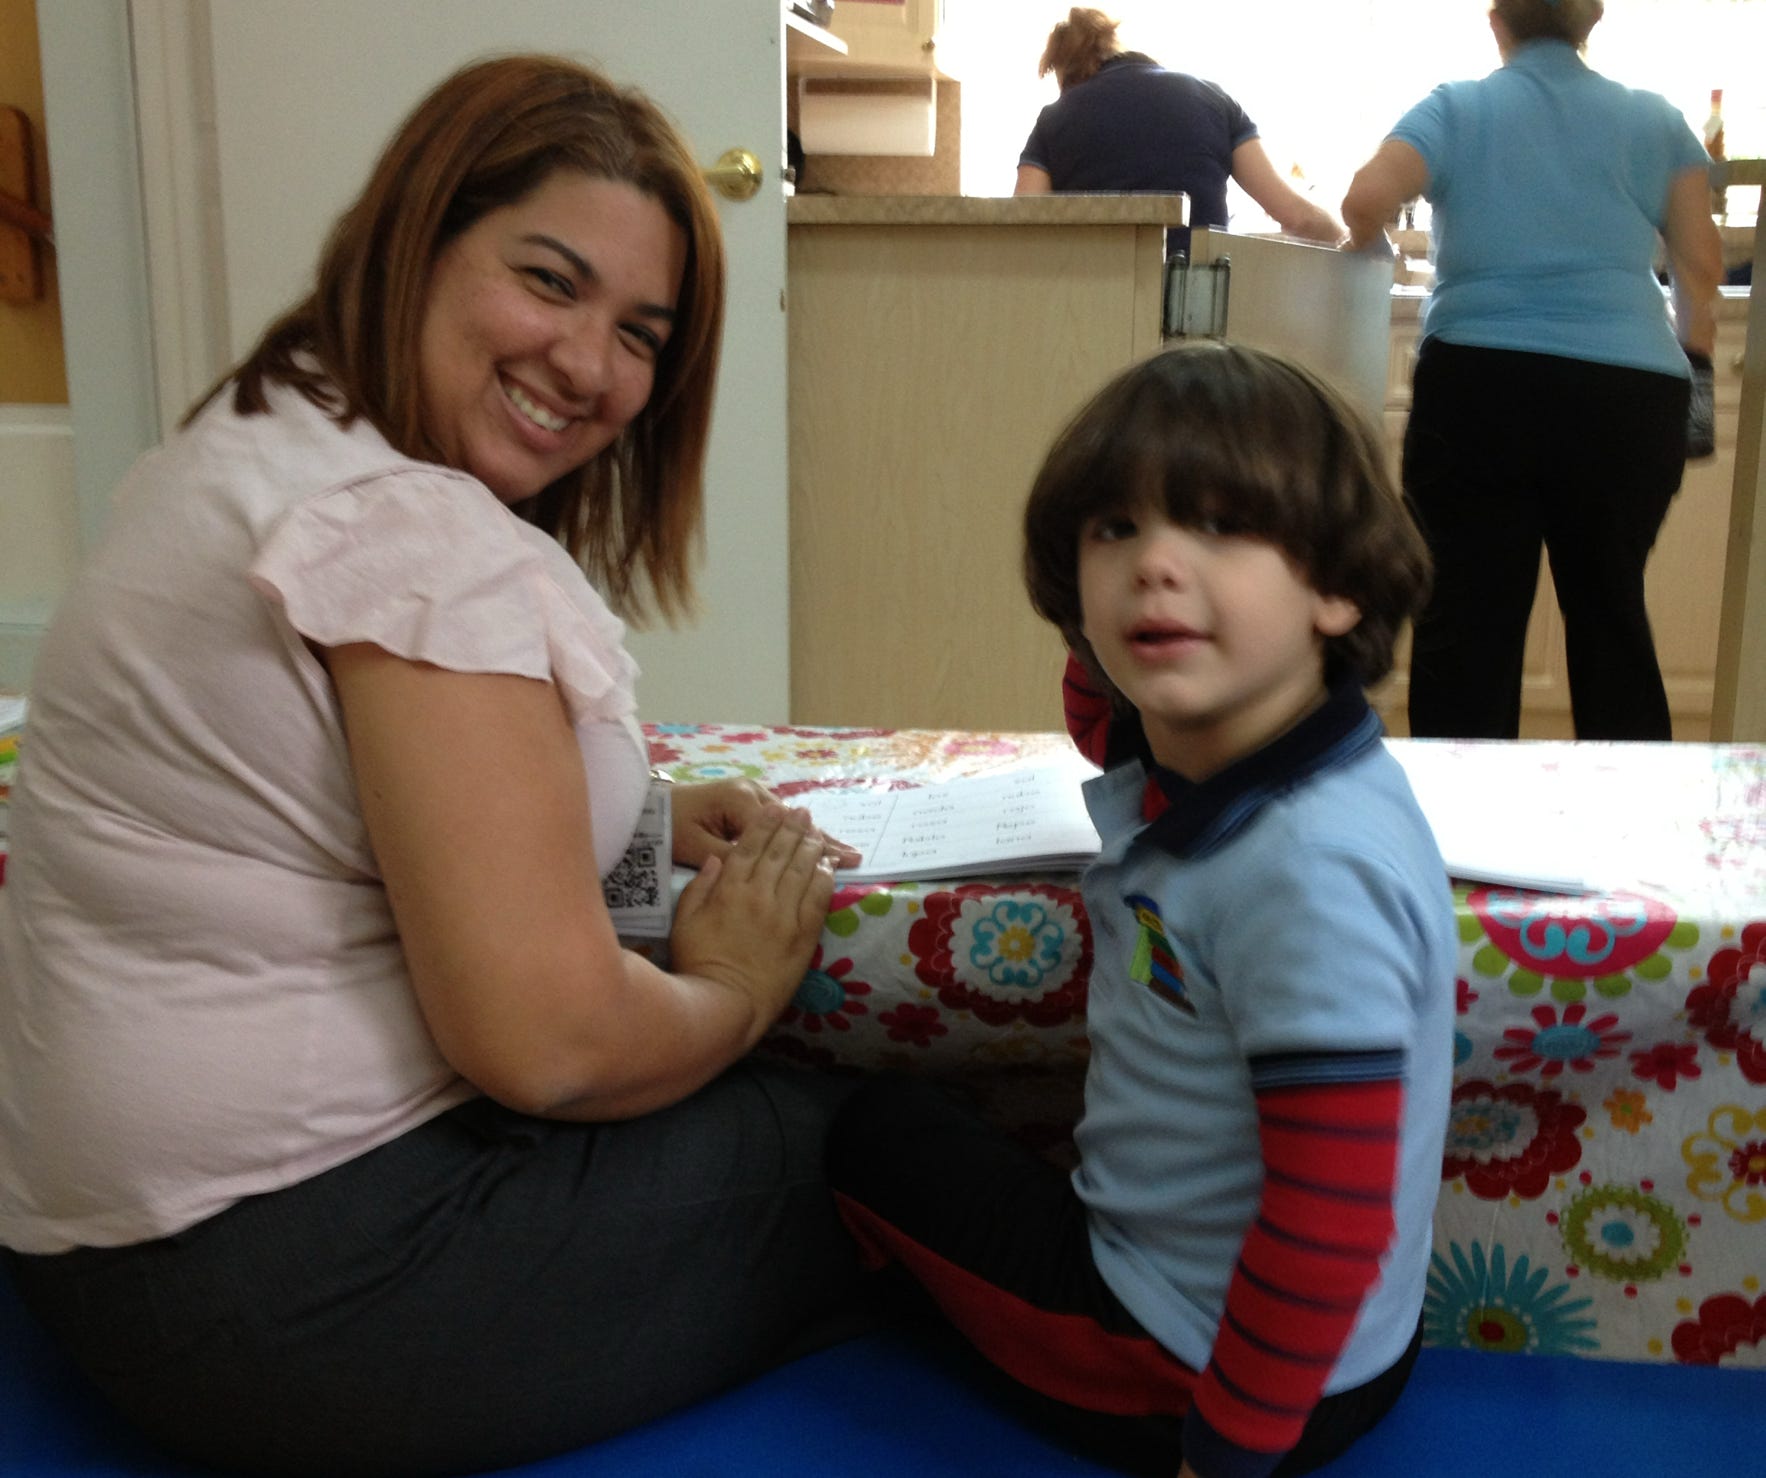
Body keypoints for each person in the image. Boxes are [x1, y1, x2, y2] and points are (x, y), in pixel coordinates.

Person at [0, 55, 877, 1478]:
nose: (590, 365)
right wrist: (735, 988)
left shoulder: (252, 441)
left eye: (641, 333)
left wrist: (634, 823)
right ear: (419, 237)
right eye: (548, 281)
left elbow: (326, 811)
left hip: (109, 1249)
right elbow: (551, 1045)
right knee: (862, 1143)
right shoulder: (410, 534)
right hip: (284, 1286)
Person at [826, 343, 1456, 1478]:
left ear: (1337, 584)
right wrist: (1094, 626)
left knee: (864, 1135)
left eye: (1217, 524)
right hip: (1334, 1345)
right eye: (1114, 529)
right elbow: (1103, 721)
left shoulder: (1305, 871)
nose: (1155, 563)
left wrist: (1222, 1450)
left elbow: (1330, 1215)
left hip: (1194, 1364)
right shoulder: (1261, 754)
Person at [1341, 0, 1724, 741]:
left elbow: (1365, 200)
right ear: (1593, 20)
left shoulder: (1456, 107)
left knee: (1467, 626)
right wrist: (1697, 368)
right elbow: (1700, 265)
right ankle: (1631, 835)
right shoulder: (1655, 118)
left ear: (1497, 22)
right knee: (1611, 610)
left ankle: (1467, 843)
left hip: (1480, 387)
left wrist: (1373, 244)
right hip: (1629, 393)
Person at [1015, 7, 1344, 253]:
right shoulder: (1212, 99)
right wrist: (1352, 237)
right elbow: (1297, 217)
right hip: (1196, 315)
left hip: (1093, 311)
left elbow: (1021, 228)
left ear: (1069, 74)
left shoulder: (1054, 118)